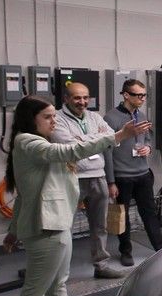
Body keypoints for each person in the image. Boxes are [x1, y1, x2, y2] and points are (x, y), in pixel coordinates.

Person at [2, 95, 150, 296]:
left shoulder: (40, 144)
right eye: (47, 117)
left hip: (57, 222)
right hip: (45, 226)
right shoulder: (28, 142)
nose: (53, 121)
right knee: (35, 289)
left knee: (58, 281)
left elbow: (25, 194)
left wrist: (12, 230)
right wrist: (118, 136)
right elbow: (70, 151)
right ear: (30, 119)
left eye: (53, 115)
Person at [50, 82, 127, 279]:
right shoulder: (57, 118)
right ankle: (58, 270)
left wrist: (84, 139)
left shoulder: (95, 116)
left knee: (100, 225)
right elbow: (69, 147)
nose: (82, 102)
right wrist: (98, 138)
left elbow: (112, 138)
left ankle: (101, 266)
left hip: (98, 176)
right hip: (71, 178)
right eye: (77, 98)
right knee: (64, 227)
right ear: (66, 98)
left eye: (85, 97)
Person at [104, 79, 162, 265]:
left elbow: (147, 138)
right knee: (122, 216)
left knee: (149, 212)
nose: (142, 99)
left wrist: (148, 147)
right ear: (126, 95)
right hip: (122, 176)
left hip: (142, 173)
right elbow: (106, 150)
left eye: (144, 95)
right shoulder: (111, 118)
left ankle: (161, 247)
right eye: (138, 95)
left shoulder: (142, 115)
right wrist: (111, 181)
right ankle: (126, 251)